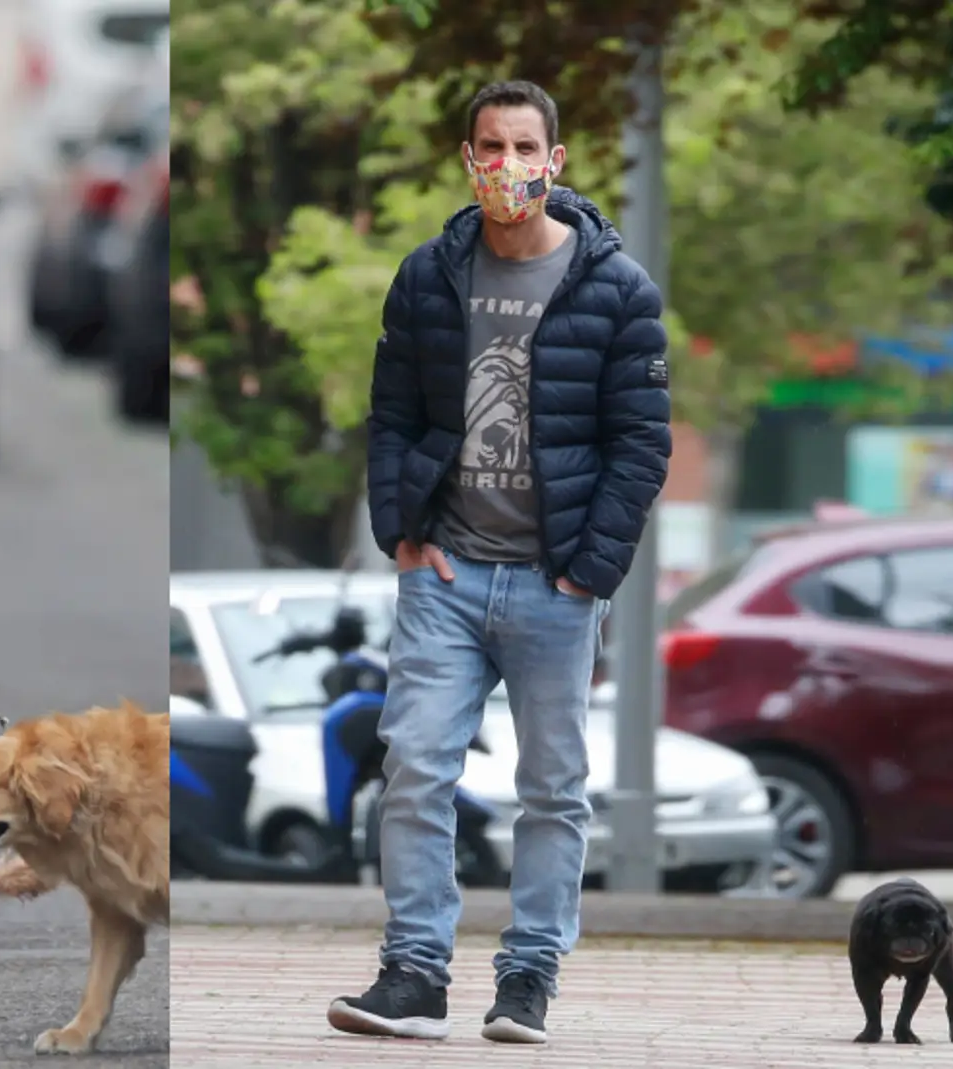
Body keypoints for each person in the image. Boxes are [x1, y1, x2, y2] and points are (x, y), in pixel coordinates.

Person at [326, 80, 670, 1045]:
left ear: (555, 164)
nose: (508, 167)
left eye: (526, 149)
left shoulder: (616, 288)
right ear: (466, 158)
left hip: (555, 582)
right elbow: (392, 414)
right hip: (447, 572)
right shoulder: (428, 277)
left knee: (553, 785)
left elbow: (641, 445)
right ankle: (415, 972)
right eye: (491, 147)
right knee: (415, 767)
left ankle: (527, 976)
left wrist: (588, 572)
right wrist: (402, 527)